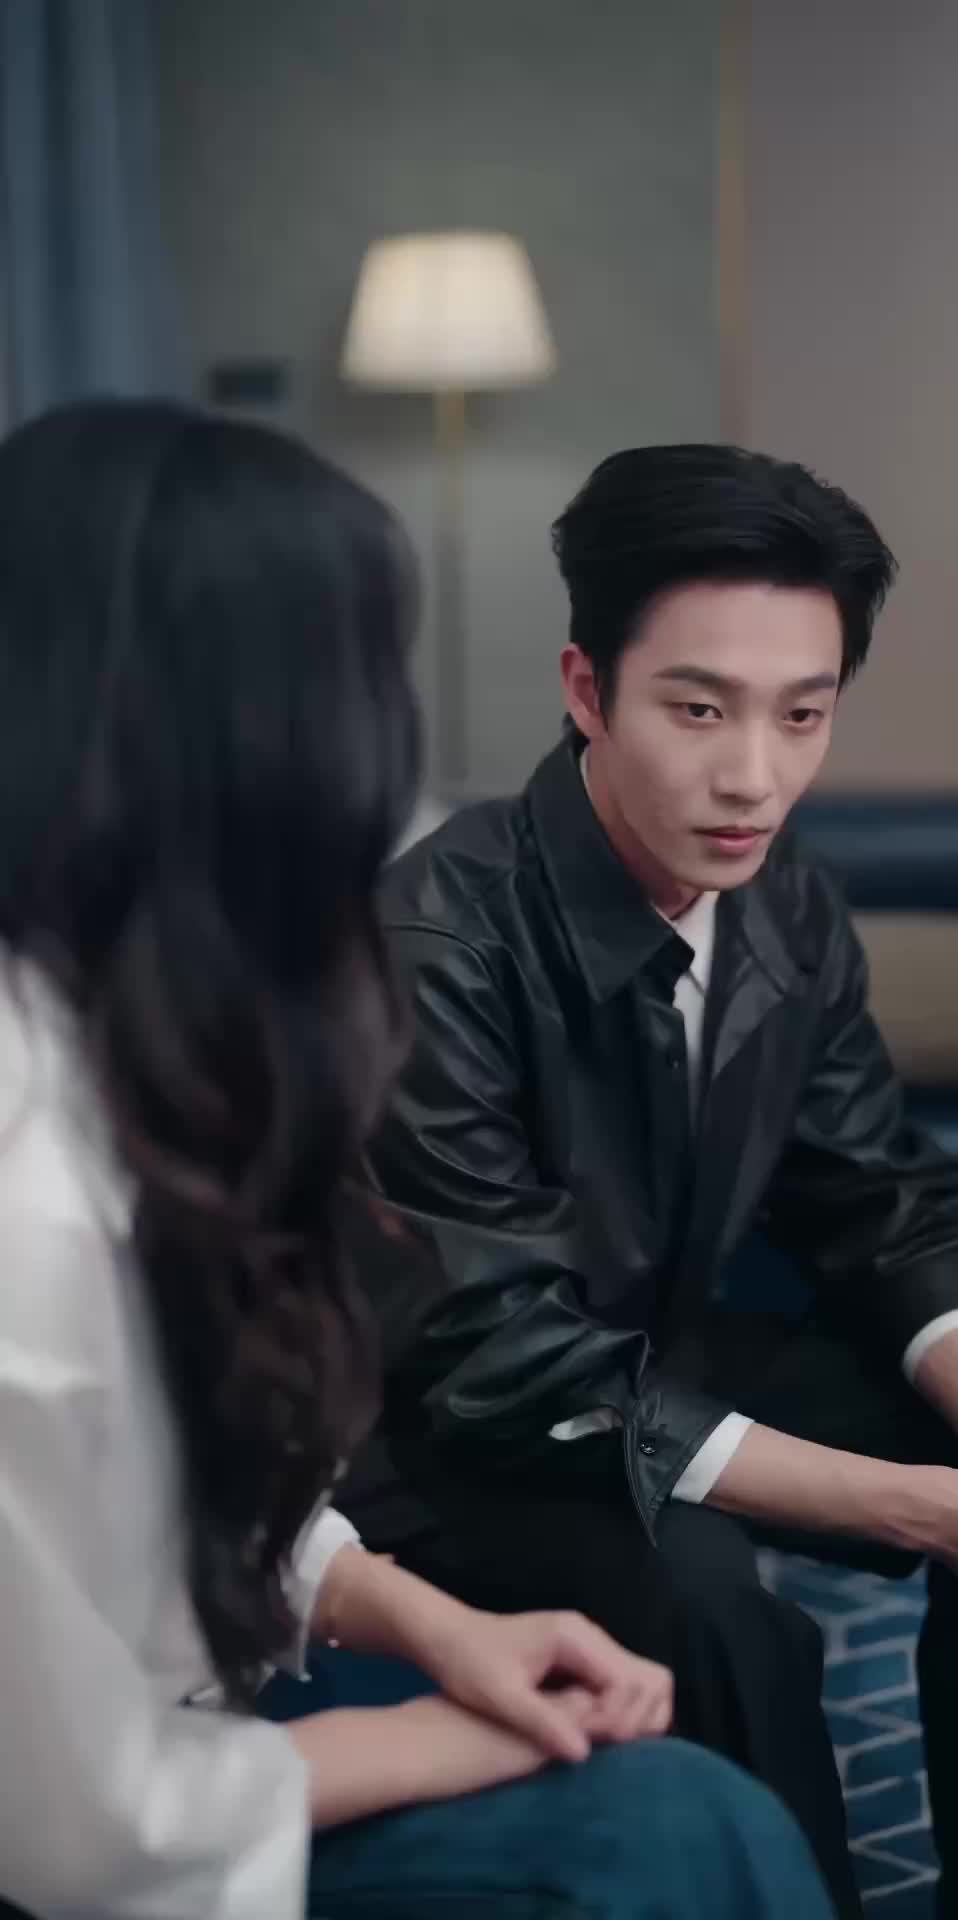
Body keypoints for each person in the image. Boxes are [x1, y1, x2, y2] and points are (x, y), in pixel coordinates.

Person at [0, 405, 837, 1920]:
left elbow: (171, 1496)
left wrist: (429, 1628)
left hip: (198, 1695)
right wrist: (439, 1734)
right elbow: (80, 1828)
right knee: (675, 1828)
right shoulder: (31, 1213)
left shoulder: (133, 1035)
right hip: (108, 1822)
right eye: (361, 679)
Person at [361, 443, 958, 1920]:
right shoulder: (439, 935)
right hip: (445, 1432)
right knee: (710, 1601)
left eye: (801, 714)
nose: (755, 775)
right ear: (586, 691)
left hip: (655, 1354)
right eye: (699, 709)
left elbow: (880, 1202)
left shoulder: (785, 902)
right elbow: (501, 1358)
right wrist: (930, 1510)